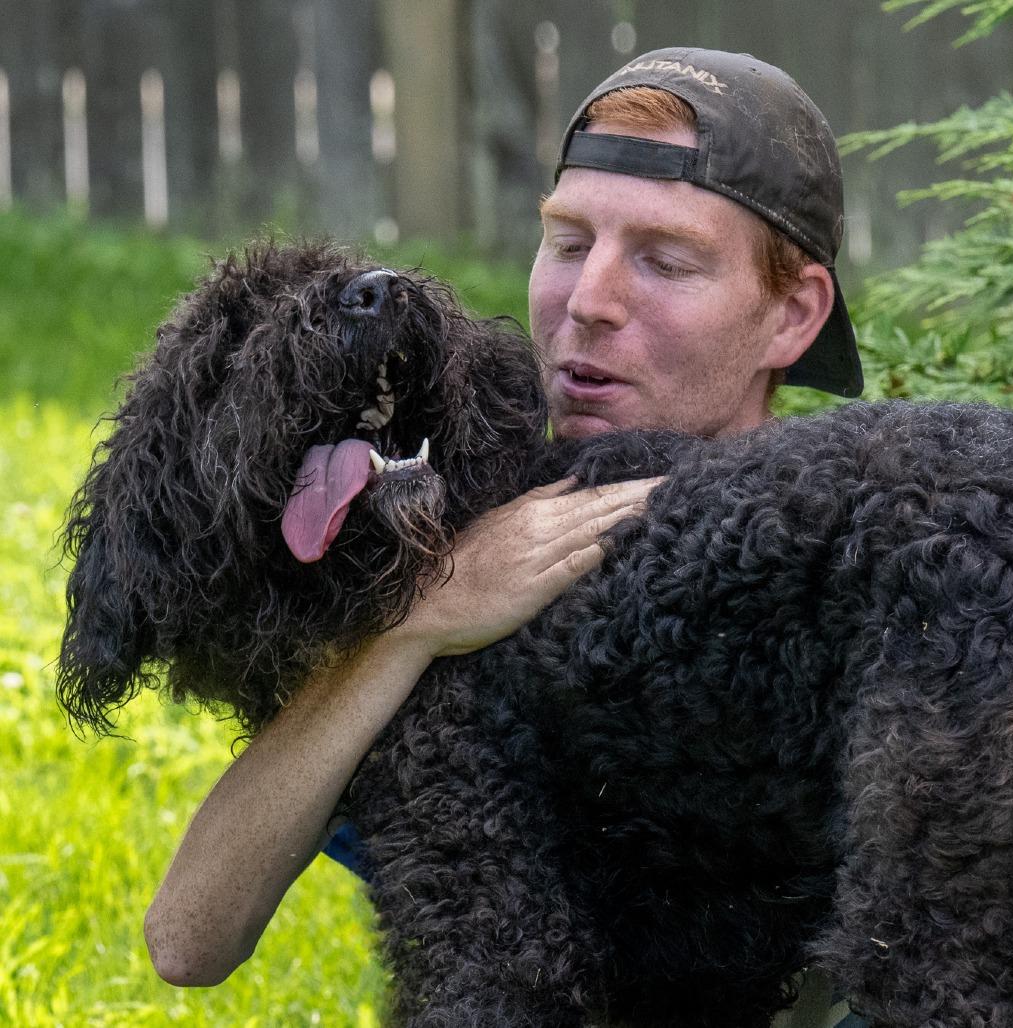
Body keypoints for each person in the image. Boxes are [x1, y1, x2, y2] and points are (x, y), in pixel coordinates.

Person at [144, 46, 866, 1027]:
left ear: (791, 315)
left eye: (663, 261)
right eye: (567, 243)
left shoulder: (869, 562)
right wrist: (417, 622)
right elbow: (191, 936)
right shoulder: (472, 531)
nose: (589, 302)